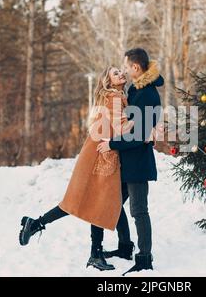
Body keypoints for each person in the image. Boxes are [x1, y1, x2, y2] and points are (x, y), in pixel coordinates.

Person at [19, 66, 135, 271]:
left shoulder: (116, 98)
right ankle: (95, 253)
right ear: (108, 82)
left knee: (94, 201)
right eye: (115, 73)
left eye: (120, 72)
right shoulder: (114, 98)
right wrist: (144, 122)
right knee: (95, 202)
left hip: (98, 154)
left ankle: (36, 224)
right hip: (101, 156)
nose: (121, 74)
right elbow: (121, 128)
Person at [97, 48, 164, 275]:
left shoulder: (148, 94)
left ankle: (144, 258)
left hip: (138, 162)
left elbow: (139, 135)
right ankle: (125, 247)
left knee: (138, 210)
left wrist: (112, 144)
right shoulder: (137, 89)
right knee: (114, 204)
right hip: (127, 161)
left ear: (135, 67)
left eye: (126, 66)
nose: (125, 70)